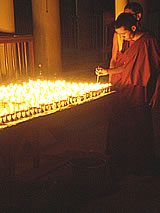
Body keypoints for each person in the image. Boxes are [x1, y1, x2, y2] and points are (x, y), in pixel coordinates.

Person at [96, 13, 160, 177]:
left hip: (140, 91)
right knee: (123, 127)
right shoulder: (132, 45)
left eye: (124, 34)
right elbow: (126, 67)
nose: (122, 38)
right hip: (126, 89)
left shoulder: (148, 41)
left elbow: (157, 68)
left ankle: (142, 167)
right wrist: (107, 71)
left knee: (140, 127)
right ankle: (125, 164)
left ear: (133, 27)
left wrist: (156, 92)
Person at [109, 2, 144, 87]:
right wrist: (110, 80)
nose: (126, 17)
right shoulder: (118, 35)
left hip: (134, 79)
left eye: (129, 15)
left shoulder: (144, 39)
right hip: (118, 76)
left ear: (138, 16)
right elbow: (113, 59)